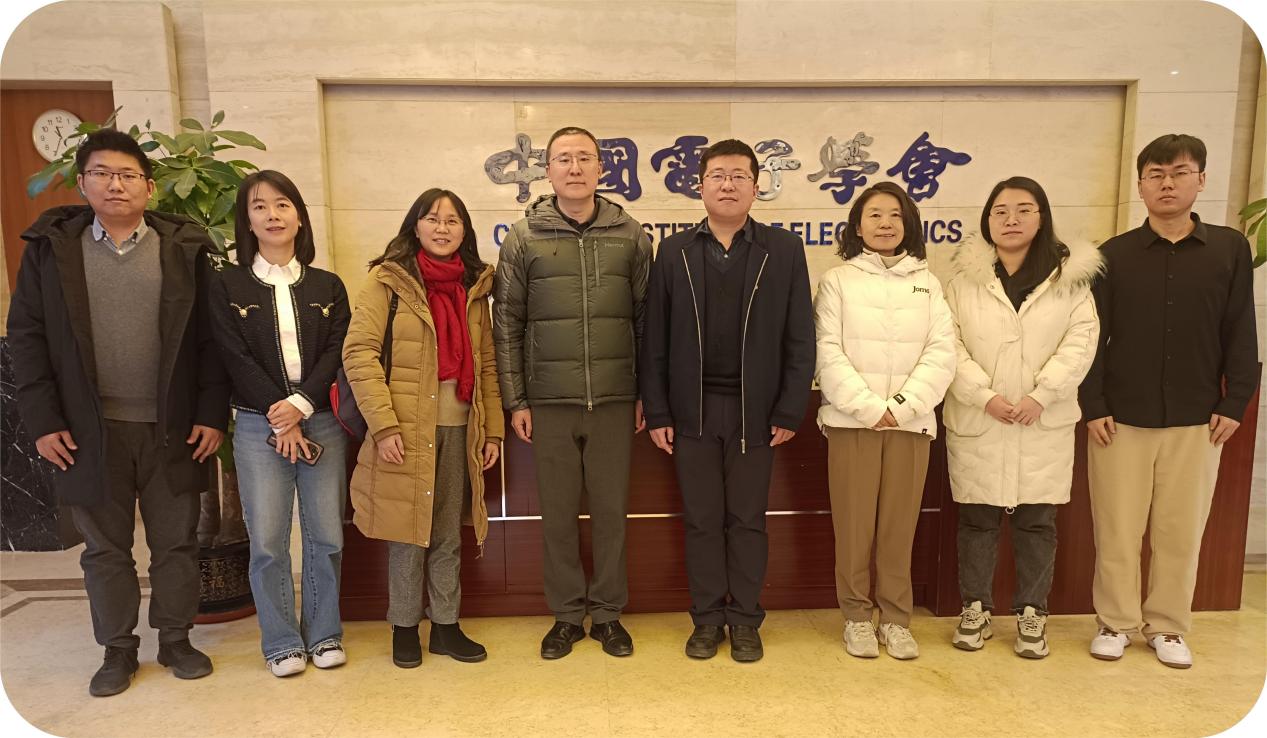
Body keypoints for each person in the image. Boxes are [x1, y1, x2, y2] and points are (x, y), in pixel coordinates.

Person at [6, 128, 230, 696]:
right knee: (105, 548)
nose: (115, 184)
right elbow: (27, 337)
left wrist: (211, 413)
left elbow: (211, 339)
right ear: (82, 183)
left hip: (172, 426)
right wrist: (44, 421)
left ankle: (175, 639)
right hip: (89, 430)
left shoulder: (184, 248)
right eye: (102, 173)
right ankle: (118, 649)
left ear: (149, 188)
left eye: (128, 174)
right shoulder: (51, 250)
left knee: (176, 542)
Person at [1079, 134, 1259, 669]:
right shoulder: (1113, 255)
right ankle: (1115, 622)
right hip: (1121, 418)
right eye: (1155, 174)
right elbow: (1091, 337)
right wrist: (1093, 404)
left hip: (1197, 418)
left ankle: (1169, 627)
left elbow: (1241, 329)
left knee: (1181, 531)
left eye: (1179, 173)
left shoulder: (1229, 249)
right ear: (1140, 185)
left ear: (1201, 180)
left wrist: (1236, 401)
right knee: (1117, 528)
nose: (1167, 184)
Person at [640, 139, 814, 662]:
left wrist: (789, 409)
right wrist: (659, 410)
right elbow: (654, 338)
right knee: (701, 520)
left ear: (756, 188)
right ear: (700, 187)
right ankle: (706, 619)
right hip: (691, 411)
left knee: (747, 520)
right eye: (717, 175)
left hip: (754, 413)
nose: (728, 184)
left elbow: (800, 336)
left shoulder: (783, 250)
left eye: (739, 176)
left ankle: (744, 620)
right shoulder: (674, 251)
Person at [493, 126, 652, 659]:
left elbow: (647, 321)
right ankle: (565, 615)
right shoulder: (523, 238)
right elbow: (507, 323)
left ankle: (607, 615)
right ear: (549, 170)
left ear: (602, 169)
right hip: (550, 402)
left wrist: (645, 394)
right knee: (557, 517)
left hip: (614, 399)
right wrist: (516, 400)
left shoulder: (631, 235)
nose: (575, 168)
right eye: (564, 158)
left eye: (585, 158)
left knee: (611, 515)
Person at [943, 176, 1102, 659]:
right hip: (981, 418)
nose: (1011, 220)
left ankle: (1033, 612)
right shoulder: (963, 282)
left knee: (1037, 522)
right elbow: (949, 344)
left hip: (1042, 420)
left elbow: (1081, 342)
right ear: (987, 220)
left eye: (1023, 210)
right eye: (1001, 211)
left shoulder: (1069, 281)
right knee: (977, 520)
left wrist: (1042, 394)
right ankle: (975, 608)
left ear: (1042, 217)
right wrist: (983, 395)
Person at [344, 188, 503, 668]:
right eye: (432, 218)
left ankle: (447, 626)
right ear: (415, 226)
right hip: (405, 429)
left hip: (460, 428)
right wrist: (383, 426)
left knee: (448, 533)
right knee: (408, 532)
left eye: (452, 220)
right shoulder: (387, 282)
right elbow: (359, 353)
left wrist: (492, 431)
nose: (442, 227)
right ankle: (404, 627)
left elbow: (487, 364)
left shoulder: (474, 288)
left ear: (464, 231)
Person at [207, 170, 350, 677]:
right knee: (268, 541)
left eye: (283, 204)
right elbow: (234, 356)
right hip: (256, 426)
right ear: (247, 220)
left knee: (327, 535)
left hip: (322, 422)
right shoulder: (227, 284)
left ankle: (325, 634)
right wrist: (280, 414)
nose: (273, 215)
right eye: (260, 206)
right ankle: (282, 642)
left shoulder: (327, 285)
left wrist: (302, 405)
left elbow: (337, 351)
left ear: (300, 217)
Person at [814, 180, 955, 661]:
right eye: (874, 215)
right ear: (857, 226)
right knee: (854, 527)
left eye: (895, 215)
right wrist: (871, 408)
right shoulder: (838, 281)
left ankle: (895, 620)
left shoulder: (928, 283)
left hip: (911, 424)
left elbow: (942, 351)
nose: (885, 223)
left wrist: (903, 406)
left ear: (908, 224)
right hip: (851, 423)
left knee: (899, 528)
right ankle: (856, 617)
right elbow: (826, 351)